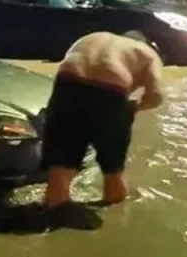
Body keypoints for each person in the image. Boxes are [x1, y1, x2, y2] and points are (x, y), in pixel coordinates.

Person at [41, 30, 165, 211]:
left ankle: (53, 213)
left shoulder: (92, 38)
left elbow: (67, 70)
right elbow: (156, 95)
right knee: (113, 171)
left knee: (60, 169)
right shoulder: (146, 52)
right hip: (111, 91)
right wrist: (131, 108)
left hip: (68, 83)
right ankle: (116, 220)